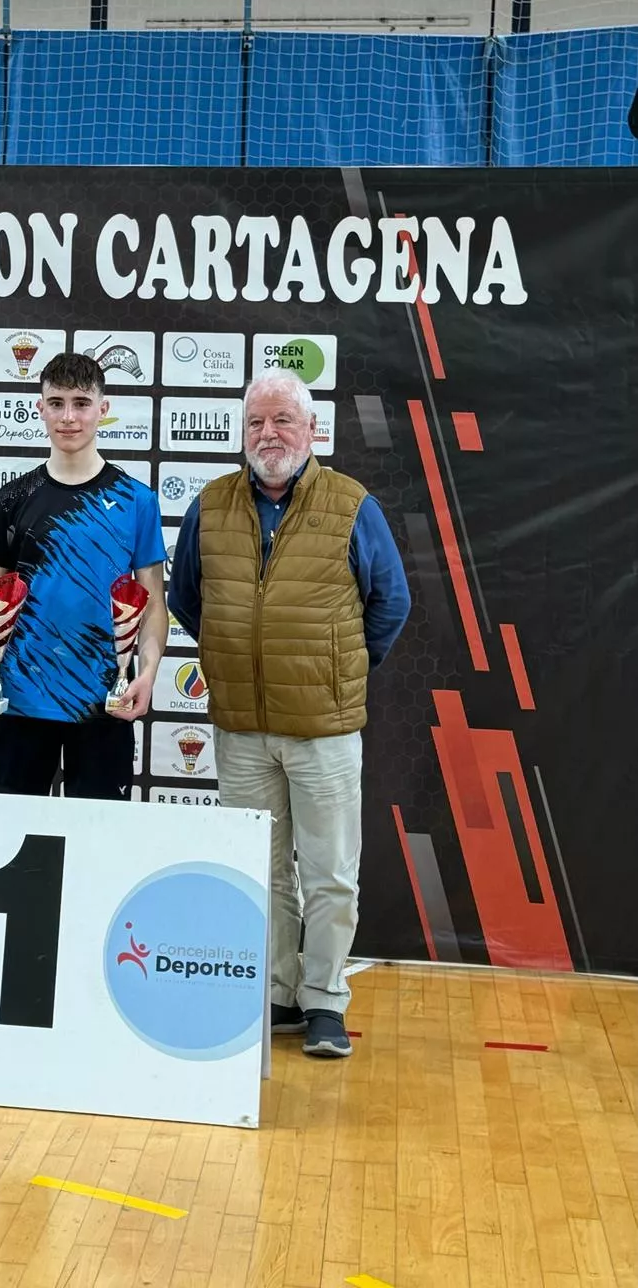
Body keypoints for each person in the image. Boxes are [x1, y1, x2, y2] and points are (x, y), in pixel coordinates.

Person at [167, 369, 411, 1059]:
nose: (267, 434)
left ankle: (325, 1000)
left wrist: (337, 672)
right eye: (254, 423)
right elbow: (188, 597)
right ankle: (274, 992)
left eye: (281, 421)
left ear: (311, 431)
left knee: (330, 872)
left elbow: (389, 603)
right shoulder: (210, 505)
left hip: (323, 730)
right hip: (241, 729)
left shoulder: (351, 505)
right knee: (260, 870)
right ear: (240, 433)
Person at [0, 351, 168, 798]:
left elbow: (153, 604)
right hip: (21, 701)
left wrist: (146, 674)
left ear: (103, 409)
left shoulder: (137, 501)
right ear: (40, 408)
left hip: (103, 706)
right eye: (56, 403)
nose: (69, 417)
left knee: (98, 852)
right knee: (8, 849)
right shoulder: (12, 499)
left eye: (80, 402)